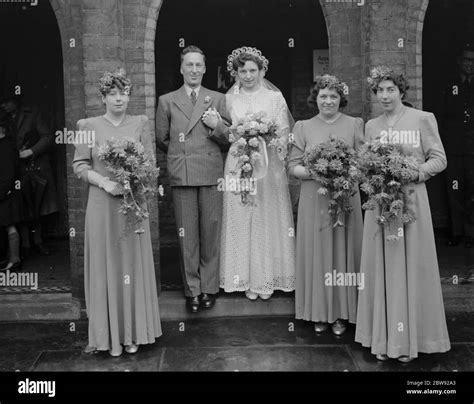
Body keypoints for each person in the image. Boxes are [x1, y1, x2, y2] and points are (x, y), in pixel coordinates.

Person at [355, 66, 451, 362]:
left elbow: (440, 160)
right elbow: (363, 164)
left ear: (401, 92)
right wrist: (366, 178)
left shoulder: (423, 119)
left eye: (390, 90)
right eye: (380, 91)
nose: (385, 96)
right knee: (382, 267)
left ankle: (409, 340)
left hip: (410, 203)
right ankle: (382, 340)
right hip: (380, 205)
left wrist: (416, 171)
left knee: (410, 266)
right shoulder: (371, 126)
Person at [73, 69, 162, 357]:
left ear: (129, 95)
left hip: (132, 204)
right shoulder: (87, 124)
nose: (119, 98)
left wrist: (136, 179)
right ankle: (107, 336)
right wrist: (105, 182)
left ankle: (132, 334)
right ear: (103, 98)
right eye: (112, 93)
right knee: (106, 264)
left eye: (123, 92)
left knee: (130, 266)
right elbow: (80, 166)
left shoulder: (139, 123)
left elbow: (149, 163)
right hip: (101, 205)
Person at [155, 46, 231, 313]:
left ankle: (209, 288)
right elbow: (162, 139)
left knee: (210, 232)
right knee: (187, 235)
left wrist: (216, 125)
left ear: (205, 68)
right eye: (189, 65)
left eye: (199, 65)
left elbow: (229, 138)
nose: (194, 70)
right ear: (181, 68)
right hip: (183, 173)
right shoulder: (167, 100)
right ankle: (193, 290)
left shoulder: (217, 98)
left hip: (210, 172)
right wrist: (180, 155)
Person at [288, 75, 364, 335]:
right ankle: (318, 312)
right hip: (315, 198)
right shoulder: (303, 127)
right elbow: (292, 166)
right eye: (323, 96)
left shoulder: (355, 125)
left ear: (341, 99)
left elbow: (363, 164)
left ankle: (342, 313)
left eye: (333, 96)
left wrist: (343, 172)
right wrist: (318, 173)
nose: (328, 101)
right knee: (318, 253)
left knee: (344, 253)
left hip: (345, 199)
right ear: (315, 99)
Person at [219, 47, 296, 300]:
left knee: (266, 216)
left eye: (253, 70)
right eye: (243, 71)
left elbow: (284, 132)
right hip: (239, 161)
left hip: (268, 163)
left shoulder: (274, 98)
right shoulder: (230, 99)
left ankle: (266, 279)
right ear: (236, 73)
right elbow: (226, 133)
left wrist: (269, 138)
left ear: (262, 70)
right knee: (241, 216)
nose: (248, 75)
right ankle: (242, 278)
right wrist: (241, 135)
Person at [1, 96, 58, 258]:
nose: (3, 105)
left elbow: (47, 137)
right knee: (21, 205)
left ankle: (38, 241)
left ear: (15, 100)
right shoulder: (3, 117)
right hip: (15, 168)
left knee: (37, 205)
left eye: (6, 101)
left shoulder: (32, 113)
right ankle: (25, 244)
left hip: (35, 166)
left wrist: (30, 151)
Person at [438, 43, 474, 248]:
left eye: (473, 61)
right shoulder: (450, 86)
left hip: (472, 149)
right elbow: (442, 117)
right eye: (467, 60)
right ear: (460, 62)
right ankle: (457, 232)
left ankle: (471, 233)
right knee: (454, 191)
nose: (470, 65)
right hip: (453, 149)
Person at [0, 110, 23, 271]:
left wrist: (2, 193)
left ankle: (15, 260)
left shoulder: (6, 146)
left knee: (9, 226)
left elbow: (8, 175)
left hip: (5, 194)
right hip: (5, 192)